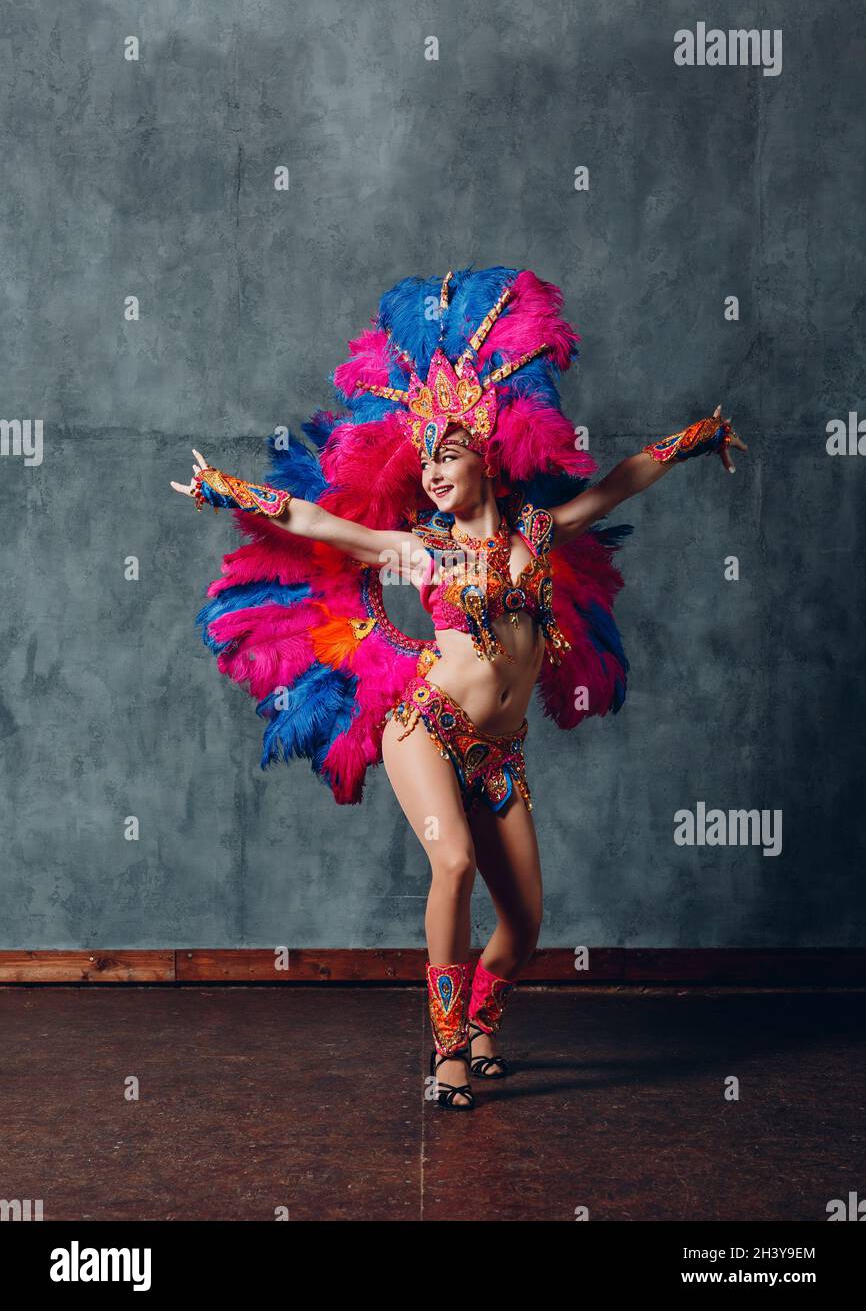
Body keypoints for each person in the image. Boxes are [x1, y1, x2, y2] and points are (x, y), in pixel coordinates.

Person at [171, 266, 747, 1110]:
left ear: (488, 458)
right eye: (427, 462)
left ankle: (480, 1033)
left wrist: (689, 441)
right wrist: (229, 492)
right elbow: (317, 522)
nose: (434, 473)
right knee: (454, 861)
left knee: (525, 927)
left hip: (502, 753)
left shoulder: (542, 535)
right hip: (426, 727)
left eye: (449, 456)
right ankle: (445, 1054)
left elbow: (617, 483)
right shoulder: (421, 551)